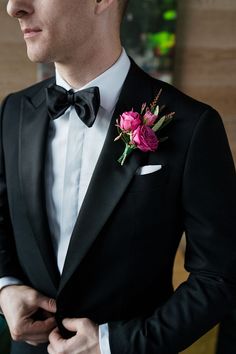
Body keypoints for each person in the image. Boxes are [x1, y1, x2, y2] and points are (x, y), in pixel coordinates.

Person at [0, 0, 235, 353]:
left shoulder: (193, 125)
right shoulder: (14, 110)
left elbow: (220, 277)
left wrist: (115, 344)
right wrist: (5, 286)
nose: (14, 7)